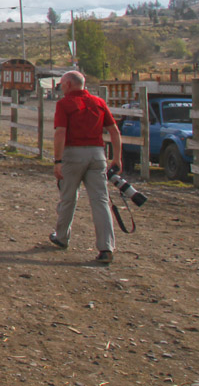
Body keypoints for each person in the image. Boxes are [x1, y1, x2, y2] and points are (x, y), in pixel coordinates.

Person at [50, 70, 121, 264]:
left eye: (63, 84)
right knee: (100, 201)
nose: (62, 88)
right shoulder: (98, 102)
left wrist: (58, 160)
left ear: (70, 84)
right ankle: (106, 247)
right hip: (98, 155)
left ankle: (62, 236)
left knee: (68, 197)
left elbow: (60, 133)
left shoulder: (64, 104)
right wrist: (116, 158)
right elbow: (114, 131)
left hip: (73, 154)